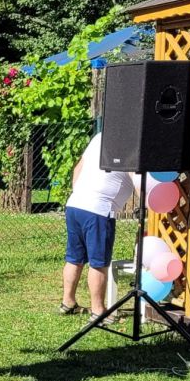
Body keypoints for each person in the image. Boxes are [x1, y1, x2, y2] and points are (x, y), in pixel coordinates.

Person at [62, 131, 139, 322]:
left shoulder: (100, 136)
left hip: (75, 204)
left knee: (74, 258)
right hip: (99, 210)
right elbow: (136, 178)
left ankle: (68, 302)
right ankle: (99, 311)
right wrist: (147, 204)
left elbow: (78, 167)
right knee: (99, 263)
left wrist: (80, 194)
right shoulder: (131, 142)